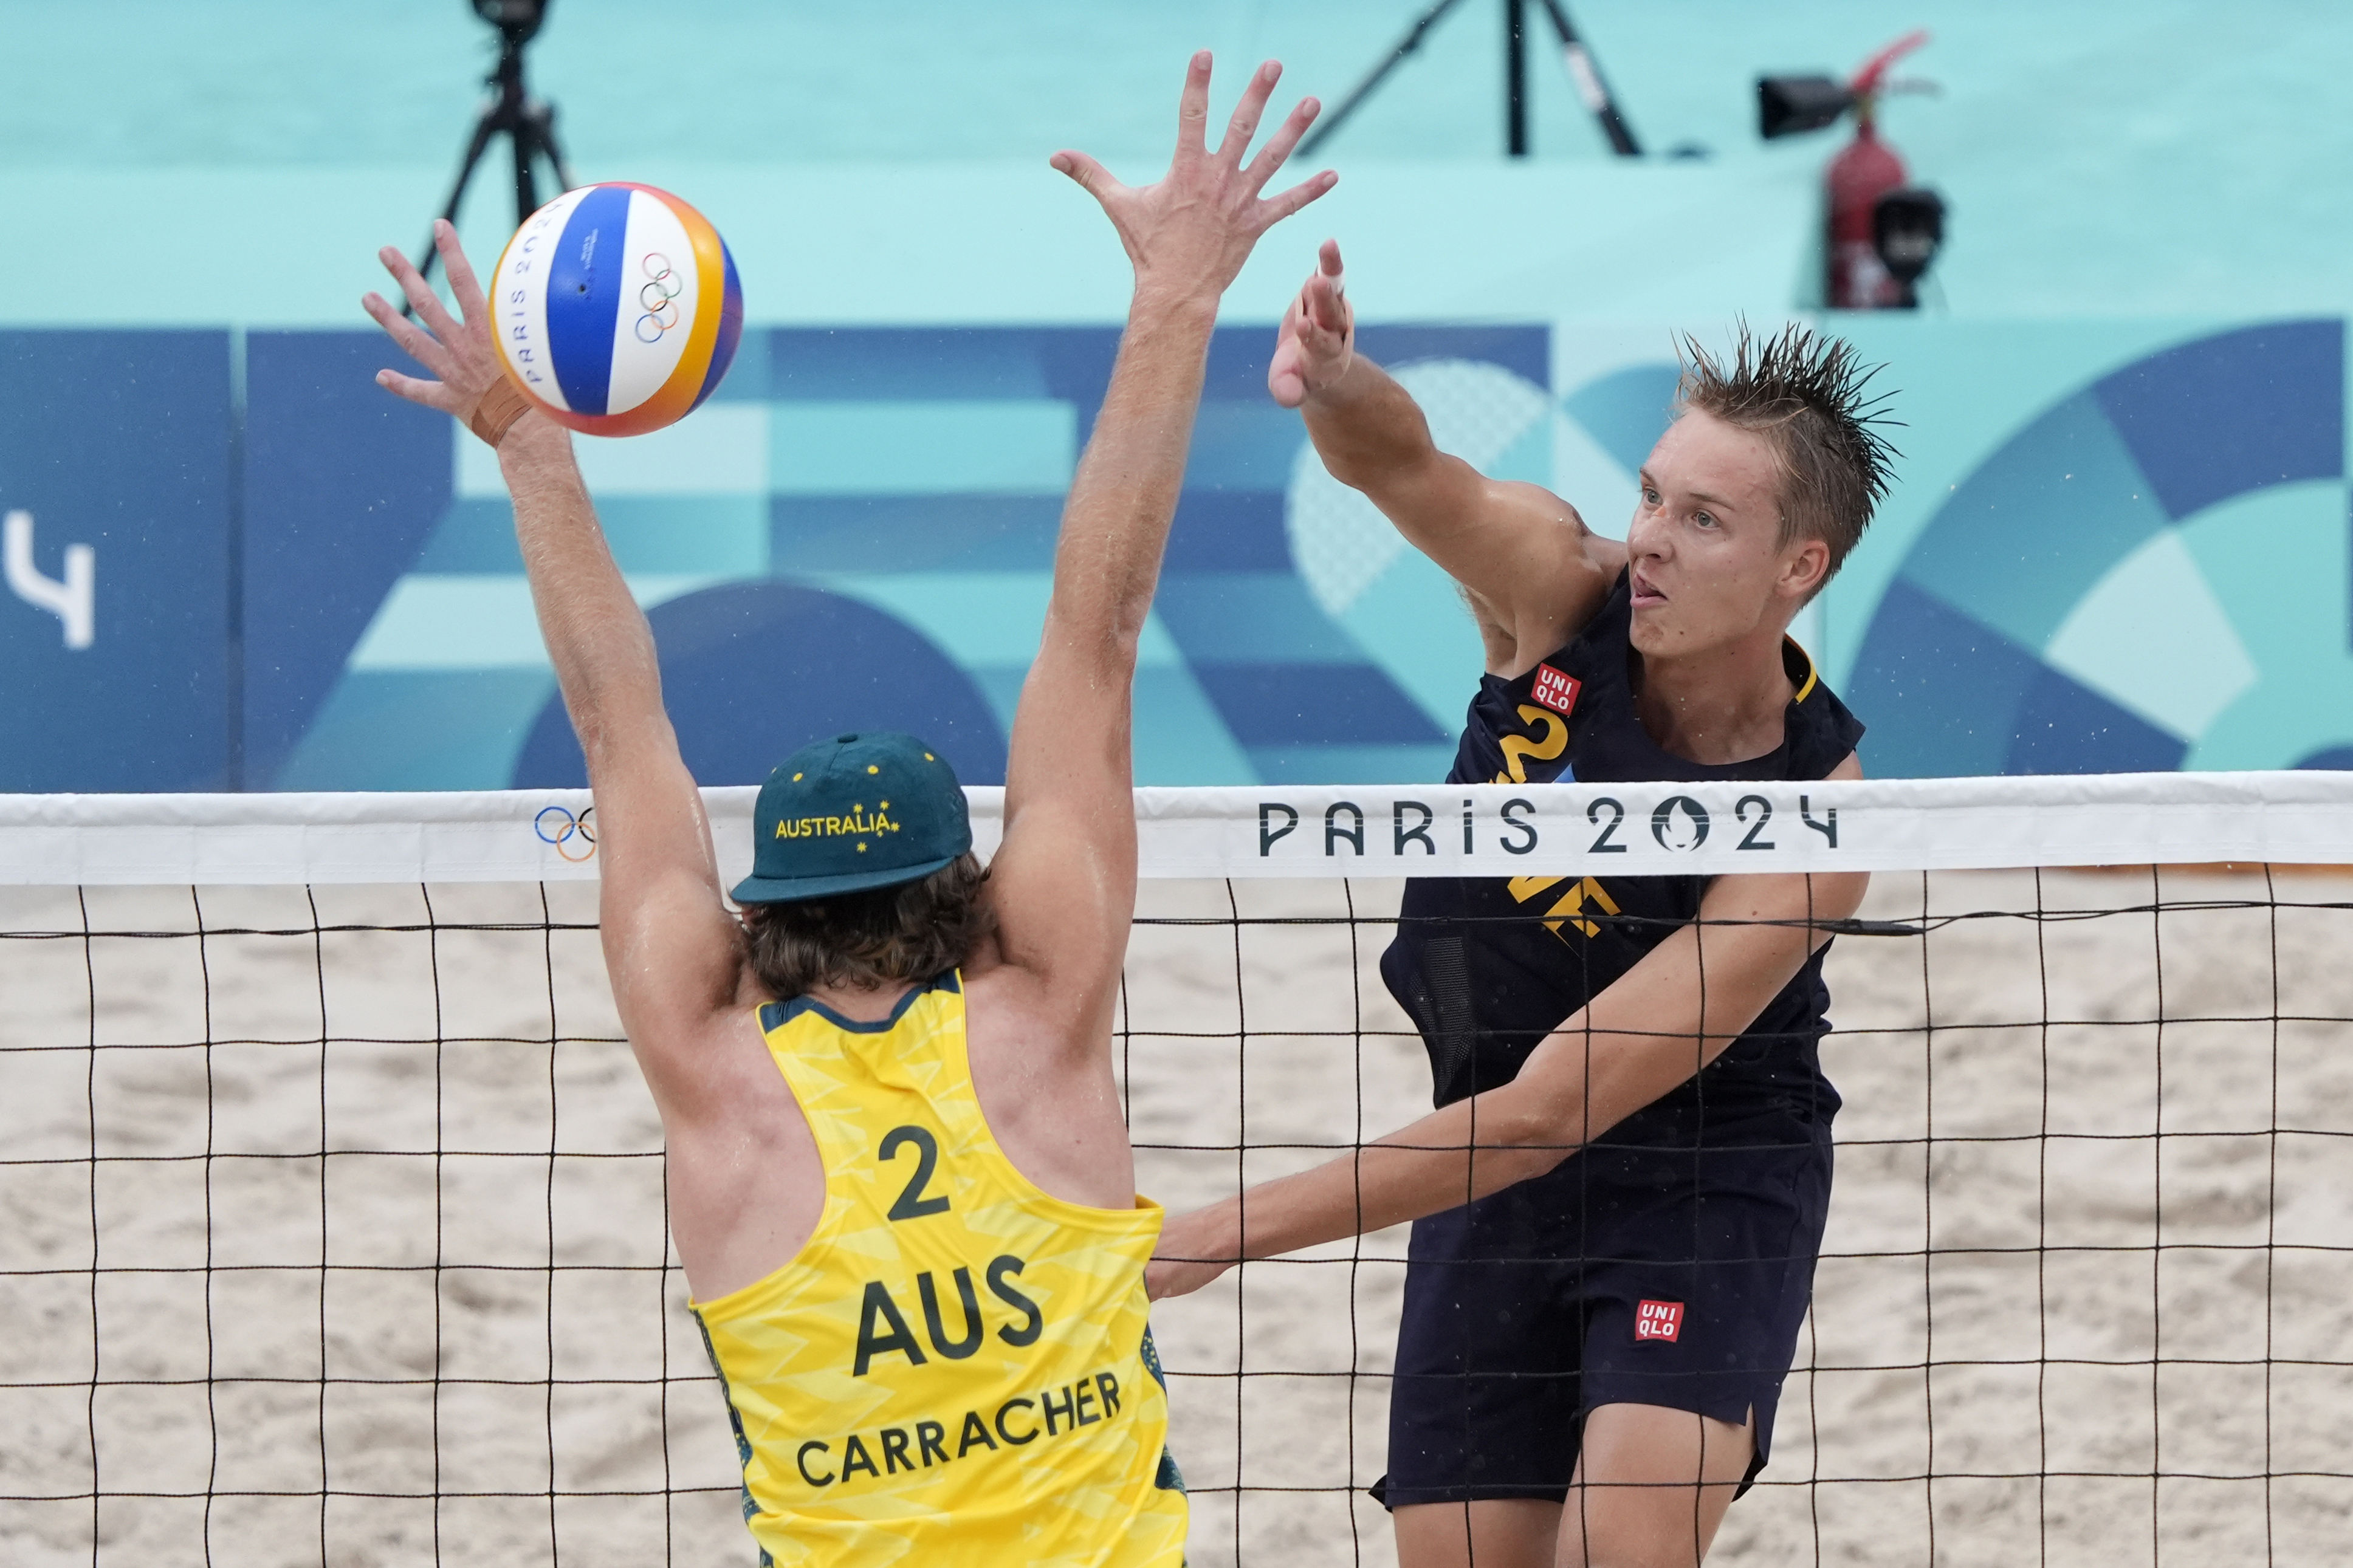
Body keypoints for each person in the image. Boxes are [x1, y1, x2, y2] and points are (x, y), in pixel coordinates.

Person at [360, 53, 1333, 1566]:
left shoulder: (714, 1066)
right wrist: (1175, 302)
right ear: (971, 886)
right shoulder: (1042, 1007)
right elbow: (1100, 623)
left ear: (760, 911)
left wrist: (531, 447)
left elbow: (622, 723)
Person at [1152, 241, 1893, 1568]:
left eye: (1705, 520)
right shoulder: (1559, 597)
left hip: (1701, 1171)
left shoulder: (1816, 812)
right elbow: (1403, 470)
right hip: (1482, 1147)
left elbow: (1560, 1110)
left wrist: (1214, 1232)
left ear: (1801, 569)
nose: (1653, 539)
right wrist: (1330, 381)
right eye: (1654, 496)